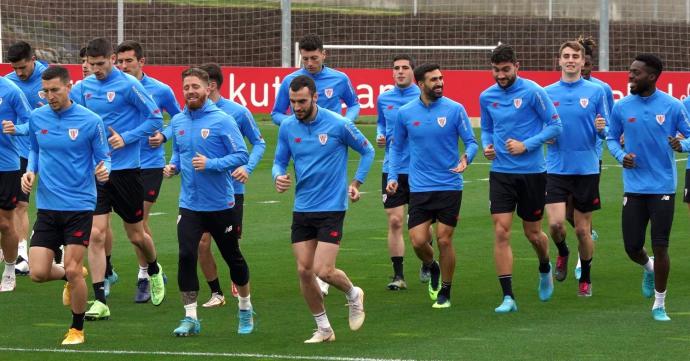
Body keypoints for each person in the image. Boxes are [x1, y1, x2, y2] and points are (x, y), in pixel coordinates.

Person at [272, 75, 373, 343]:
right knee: (304, 271)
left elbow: (368, 151)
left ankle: (353, 294)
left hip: (331, 206)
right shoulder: (288, 127)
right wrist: (278, 176)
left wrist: (356, 181)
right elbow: (279, 161)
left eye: (302, 101)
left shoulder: (339, 124)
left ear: (315, 97)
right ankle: (324, 329)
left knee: (323, 270)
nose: (297, 107)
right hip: (302, 207)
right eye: (293, 102)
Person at [71, 37, 166, 320]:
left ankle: (154, 268)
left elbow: (155, 120)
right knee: (96, 234)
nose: (96, 69)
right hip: (97, 172)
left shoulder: (128, 85)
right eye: (91, 64)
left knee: (136, 235)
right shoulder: (82, 88)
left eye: (101, 64)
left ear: (112, 59)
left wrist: (126, 138)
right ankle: (99, 298)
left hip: (126, 171)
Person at [21, 66, 111, 344]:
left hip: (80, 205)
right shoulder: (37, 117)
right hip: (47, 206)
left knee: (72, 267)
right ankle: (71, 278)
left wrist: (104, 169)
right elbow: (35, 149)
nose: (50, 96)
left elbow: (104, 156)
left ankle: (77, 329)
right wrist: (31, 171)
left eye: (55, 90)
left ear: (69, 87)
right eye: (45, 91)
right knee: (37, 273)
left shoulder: (90, 120)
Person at [163, 67, 254, 336]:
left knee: (232, 257)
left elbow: (241, 155)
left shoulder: (222, 120)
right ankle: (190, 317)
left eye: (195, 86)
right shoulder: (178, 121)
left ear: (207, 88)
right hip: (190, 204)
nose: (190, 91)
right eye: (186, 87)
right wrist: (173, 167)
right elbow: (179, 153)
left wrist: (211, 164)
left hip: (221, 204)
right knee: (185, 255)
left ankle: (246, 308)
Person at [386, 63, 478, 309]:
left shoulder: (455, 109)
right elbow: (395, 147)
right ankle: (432, 266)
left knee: (444, 240)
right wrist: (393, 175)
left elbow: (471, 142)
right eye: (434, 80)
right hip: (420, 187)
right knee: (418, 241)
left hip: (449, 184)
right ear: (420, 84)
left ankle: (446, 291)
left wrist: (466, 158)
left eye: (441, 78)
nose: (439, 83)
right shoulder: (405, 113)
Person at [607, 54, 690, 321]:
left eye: (636, 73)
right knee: (632, 247)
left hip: (663, 186)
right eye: (630, 71)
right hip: (634, 187)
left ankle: (659, 304)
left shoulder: (672, 107)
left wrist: (683, 145)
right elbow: (610, 138)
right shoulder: (621, 107)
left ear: (652, 77)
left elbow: (689, 136)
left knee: (661, 245)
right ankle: (648, 267)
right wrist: (622, 157)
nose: (630, 76)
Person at [479, 44, 562, 313]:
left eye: (505, 70)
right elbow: (487, 128)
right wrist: (487, 145)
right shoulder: (486, 96)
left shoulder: (533, 92)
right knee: (501, 230)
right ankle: (508, 297)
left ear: (517, 66)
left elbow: (555, 126)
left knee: (533, 233)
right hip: (501, 173)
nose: (500, 75)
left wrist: (527, 144)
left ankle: (545, 265)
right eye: (496, 70)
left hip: (533, 173)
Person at [115, 40, 181, 303]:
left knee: (139, 221)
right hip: (121, 165)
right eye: (119, 61)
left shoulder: (161, 90)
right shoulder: (114, 87)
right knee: (135, 225)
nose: (123, 66)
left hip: (150, 163)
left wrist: (164, 135)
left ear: (141, 62)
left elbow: (179, 117)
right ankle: (154, 268)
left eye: (128, 61)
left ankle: (144, 275)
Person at [544, 41, 608, 296]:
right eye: (566, 56)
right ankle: (562, 251)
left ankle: (586, 277)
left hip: (586, 169)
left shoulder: (596, 92)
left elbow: (607, 131)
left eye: (575, 56)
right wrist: (544, 135)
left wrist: (602, 128)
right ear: (559, 61)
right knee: (556, 225)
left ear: (583, 62)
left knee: (583, 230)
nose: (570, 60)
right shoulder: (546, 92)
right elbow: (541, 127)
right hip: (556, 168)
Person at [570, 35, 616, 279]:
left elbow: (609, 120)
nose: (584, 68)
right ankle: (588, 232)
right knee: (565, 213)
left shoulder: (601, 89)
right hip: (563, 160)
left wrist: (606, 133)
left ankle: (581, 259)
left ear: (590, 64)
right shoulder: (561, 87)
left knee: (580, 215)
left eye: (587, 65)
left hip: (591, 156)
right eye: (580, 63)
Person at [376, 55, 422, 290]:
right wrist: (380, 135)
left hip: (420, 169)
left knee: (422, 225)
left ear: (413, 72)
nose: (400, 72)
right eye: (396, 68)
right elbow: (381, 123)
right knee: (395, 221)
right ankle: (398, 275)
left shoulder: (423, 97)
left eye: (405, 68)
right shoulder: (384, 98)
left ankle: (426, 260)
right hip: (392, 168)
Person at [5, 40, 49, 275]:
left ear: (34, 59)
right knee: (20, 203)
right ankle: (22, 252)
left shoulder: (48, 77)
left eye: (23, 67)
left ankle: (53, 245)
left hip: (52, 148)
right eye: (15, 69)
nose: (19, 73)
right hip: (22, 150)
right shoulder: (10, 84)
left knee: (51, 200)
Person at [271, 34, 360, 126]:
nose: (309, 63)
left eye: (314, 58)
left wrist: (345, 122)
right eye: (305, 59)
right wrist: (294, 124)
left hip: (332, 135)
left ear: (323, 54)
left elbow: (353, 105)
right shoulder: (289, 80)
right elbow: (276, 113)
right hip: (302, 135)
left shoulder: (341, 78)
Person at [0, 76, 32, 291]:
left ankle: (10, 268)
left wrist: (16, 128)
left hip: (6, 166)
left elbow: (33, 121)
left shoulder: (11, 91)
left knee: (4, 223)